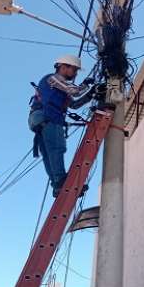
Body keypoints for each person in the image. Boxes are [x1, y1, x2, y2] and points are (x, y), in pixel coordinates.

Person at [28, 55, 96, 197]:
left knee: (49, 153)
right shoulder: (53, 78)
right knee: (57, 149)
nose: (75, 74)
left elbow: (74, 104)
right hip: (48, 117)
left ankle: (57, 185)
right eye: (74, 70)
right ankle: (61, 181)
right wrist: (87, 84)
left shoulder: (59, 87)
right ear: (63, 67)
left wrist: (91, 94)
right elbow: (74, 91)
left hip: (40, 120)